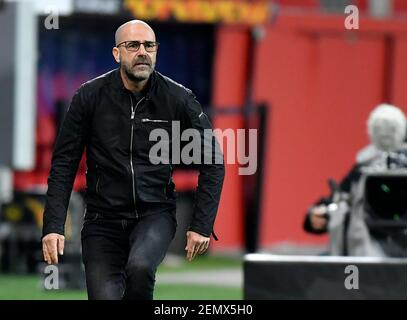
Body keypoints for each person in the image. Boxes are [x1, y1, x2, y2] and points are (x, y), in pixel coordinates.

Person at [41, 20, 225, 300]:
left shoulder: (178, 98)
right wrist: (54, 226)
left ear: (156, 51)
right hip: (102, 220)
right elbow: (63, 164)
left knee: (140, 267)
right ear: (117, 53)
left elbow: (213, 160)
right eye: (133, 45)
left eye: (149, 45)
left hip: (155, 215)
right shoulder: (89, 97)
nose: (142, 52)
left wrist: (200, 224)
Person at [303, 103, 407, 255]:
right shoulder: (363, 170)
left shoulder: (363, 169)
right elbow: (338, 201)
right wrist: (318, 215)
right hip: (365, 244)